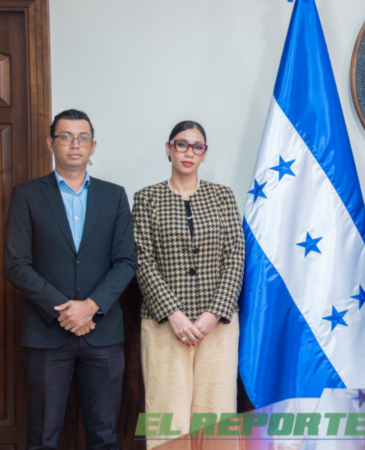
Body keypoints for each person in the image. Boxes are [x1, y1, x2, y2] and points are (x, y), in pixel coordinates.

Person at [4, 109, 137, 449]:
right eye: (65, 137)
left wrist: (90, 306)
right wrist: (66, 310)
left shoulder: (114, 195)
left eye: (82, 138)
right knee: (42, 439)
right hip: (46, 333)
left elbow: (126, 261)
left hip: (103, 333)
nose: (74, 144)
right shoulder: (27, 195)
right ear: (51, 143)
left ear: (93, 146)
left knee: (105, 438)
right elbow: (16, 264)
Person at [132, 121, 244, 447]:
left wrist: (214, 313)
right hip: (164, 324)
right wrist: (173, 313)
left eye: (197, 147)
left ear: (204, 154)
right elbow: (142, 259)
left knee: (216, 413)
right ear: (168, 149)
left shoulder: (222, 196)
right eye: (181, 144)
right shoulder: (147, 198)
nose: (189, 152)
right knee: (166, 411)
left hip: (217, 325)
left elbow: (236, 257)